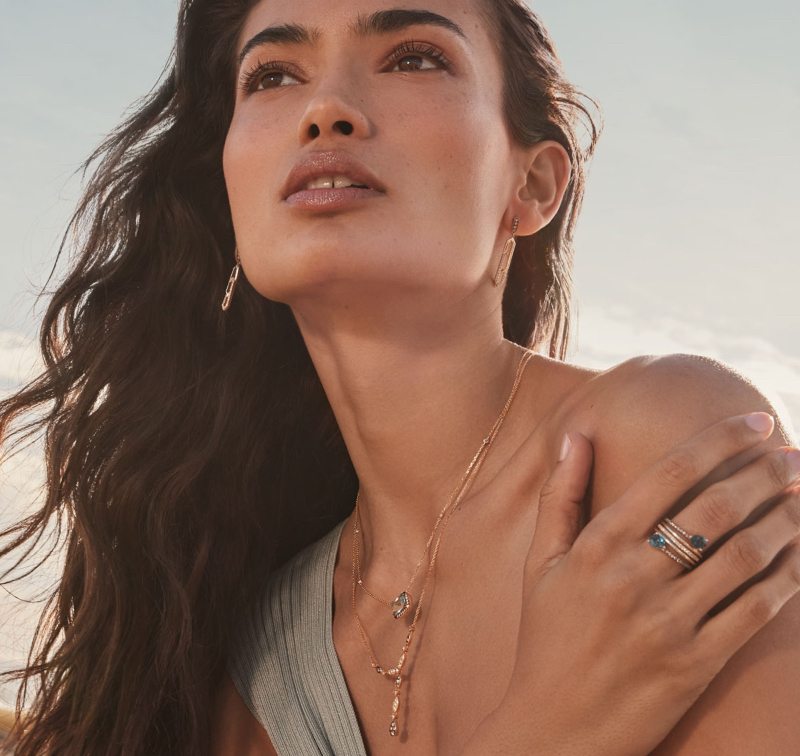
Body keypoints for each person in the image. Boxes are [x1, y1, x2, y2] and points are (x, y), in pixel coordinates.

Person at [1, 0, 798, 754]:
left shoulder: (658, 444)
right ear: (229, 187)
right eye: (273, 74)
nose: (328, 109)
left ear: (532, 186)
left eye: (414, 57)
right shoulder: (258, 660)